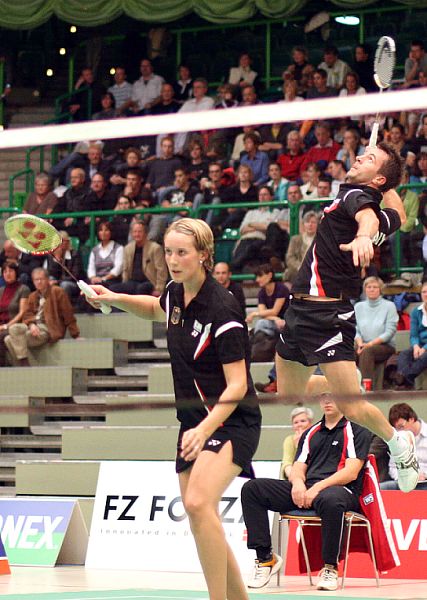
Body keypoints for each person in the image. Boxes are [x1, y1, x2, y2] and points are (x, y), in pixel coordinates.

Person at [84, 218, 262, 600]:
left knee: (198, 503)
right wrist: (111, 297)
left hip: (231, 422)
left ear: (203, 255)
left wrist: (204, 430)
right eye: (168, 252)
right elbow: (154, 308)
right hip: (193, 422)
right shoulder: (176, 293)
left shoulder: (223, 309)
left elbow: (238, 385)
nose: (173, 260)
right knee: (201, 517)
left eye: (182, 253)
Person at [275, 141, 420, 494]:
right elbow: (396, 214)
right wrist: (387, 184)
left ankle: (397, 442)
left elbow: (368, 219)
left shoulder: (357, 197)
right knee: (286, 394)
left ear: (377, 178)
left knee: (350, 407)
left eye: (368, 158)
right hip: (298, 310)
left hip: (327, 314)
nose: (358, 157)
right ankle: (344, 379)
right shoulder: (372, 198)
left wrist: (362, 237)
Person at [242, 393, 371, 591]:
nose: (327, 401)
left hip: (341, 491)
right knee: (252, 489)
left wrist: (317, 487)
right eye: (323, 397)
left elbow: (351, 472)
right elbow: (298, 466)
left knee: (331, 499)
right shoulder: (310, 433)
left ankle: (330, 568)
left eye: (333, 396)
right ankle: (265, 559)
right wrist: (297, 484)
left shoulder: (357, 431)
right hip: (307, 490)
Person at [5, 268, 80, 367]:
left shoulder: (58, 292)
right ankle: (27, 364)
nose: (39, 282)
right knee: (11, 333)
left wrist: (76, 335)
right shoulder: (32, 296)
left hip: (49, 328)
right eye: (36, 280)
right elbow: (27, 315)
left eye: (42, 279)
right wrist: (31, 325)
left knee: (10, 340)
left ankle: (25, 366)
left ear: (48, 279)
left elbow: (68, 313)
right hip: (33, 328)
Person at [354, 276, 398, 387]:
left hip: (384, 346)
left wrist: (369, 344)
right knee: (347, 349)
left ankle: (366, 388)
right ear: (365, 289)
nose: (372, 289)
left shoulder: (389, 306)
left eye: (375, 287)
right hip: (362, 343)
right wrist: (360, 343)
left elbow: (390, 332)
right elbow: (355, 329)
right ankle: (348, 386)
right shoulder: (358, 306)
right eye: (369, 287)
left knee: (367, 352)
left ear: (380, 289)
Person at [110, 221, 168, 296]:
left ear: (146, 233)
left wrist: (159, 289)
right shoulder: (128, 248)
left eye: (140, 232)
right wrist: (125, 283)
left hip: (149, 282)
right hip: (132, 282)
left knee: (141, 289)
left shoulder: (155, 248)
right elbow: (125, 269)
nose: (137, 234)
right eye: (135, 232)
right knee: (113, 289)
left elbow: (161, 270)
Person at [382, 403, 427, 490]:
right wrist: (401, 478)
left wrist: (423, 475)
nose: (399, 432)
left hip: (424, 482)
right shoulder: (398, 438)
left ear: (412, 419)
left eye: (401, 427)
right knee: (380, 488)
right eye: (396, 429)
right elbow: (392, 467)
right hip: (403, 482)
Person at [394, 281, 427, 389]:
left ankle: (403, 380)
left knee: (424, 356)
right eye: (424, 292)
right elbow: (414, 335)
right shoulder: (416, 312)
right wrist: (416, 346)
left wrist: (425, 348)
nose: (426, 294)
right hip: (420, 345)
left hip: (426, 348)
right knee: (404, 354)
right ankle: (405, 380)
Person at [246, 263, 289, 338]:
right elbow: (262, 313)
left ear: (269, 275)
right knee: (261, 328)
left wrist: (254, 314)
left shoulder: (281, 289)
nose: (257, 280)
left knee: (261, 325)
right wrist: (275, 318)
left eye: (260, 276)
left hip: (287, 323)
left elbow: (275, 311)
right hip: (275, 322)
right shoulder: (261, 293)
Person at [0, 261, 30, 366]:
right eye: (5, 271)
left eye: (11, 271)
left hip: (15, 325)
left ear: (16, 272)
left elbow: (22, 312)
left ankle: (4, 368)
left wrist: (5, 326)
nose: (8, 274)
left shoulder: (23, 289)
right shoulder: (1, 290)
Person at [174, 79, 215, 153]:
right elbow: (178, 117)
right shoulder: (188, 103)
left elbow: (201, 117)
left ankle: (181, 151)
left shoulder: (209, 101)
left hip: (200, 129)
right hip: (185, 126)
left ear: (205, 89)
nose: (195, 90)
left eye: (198, 87)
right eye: (194, 87)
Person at [44, 231, 85, 303]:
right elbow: (51, 273)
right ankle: (50, 307)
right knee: (49, 280)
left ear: (68, 242)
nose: (60, 244)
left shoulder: (75, 254)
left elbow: (74, 276)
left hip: (73, 283)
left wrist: (57, 281)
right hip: (57, 281)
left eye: (63, 241)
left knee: (64, 285)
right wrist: (57, 259)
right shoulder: (51, 256)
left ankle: (65, 308)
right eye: (58, 242)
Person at [283, 211, 319, 285]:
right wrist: (299, 267)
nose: (310, 224)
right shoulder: (295, 239)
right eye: (307, 222)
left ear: (317, 225)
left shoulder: (321, 240)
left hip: (316, 269)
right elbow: (289, 258)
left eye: (313, 222)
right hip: (298, 270)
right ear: (303, 224)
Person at [281, 406, 314, 479]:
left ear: (311, 423)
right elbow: (287, 463)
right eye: (296, 422)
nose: (299, 425)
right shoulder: (289, 440)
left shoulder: (317, 438)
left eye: (303, 421)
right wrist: (295, 479)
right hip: (293, 478)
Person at [87, 221, 124, 287]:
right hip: (96, 281)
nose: (103, 233)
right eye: (101, 230)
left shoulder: (119, 248)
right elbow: (91, 268)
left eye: (106, 230)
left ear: (111, 232)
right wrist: (93, 278)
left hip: (112, 281)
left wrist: (103, 279)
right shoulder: (94, 250)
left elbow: (118, 269)